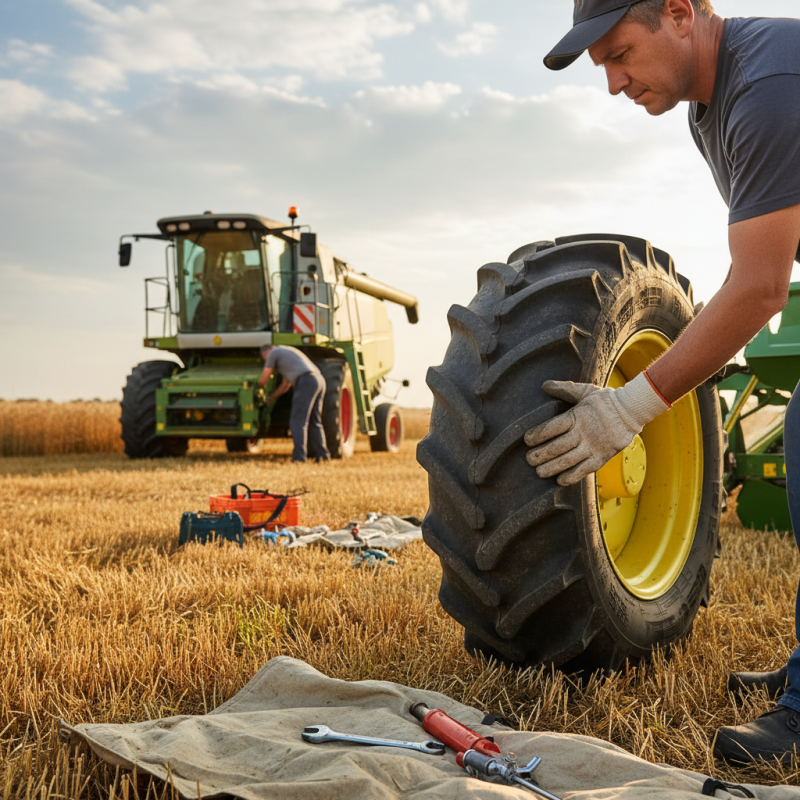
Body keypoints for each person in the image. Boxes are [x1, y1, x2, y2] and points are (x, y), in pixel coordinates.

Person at [535, 0, 800, 763]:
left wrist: (631, 406)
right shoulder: (706, 113)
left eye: (621, 54)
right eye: (604, 69)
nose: (614, 84)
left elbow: (757, 289)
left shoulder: (770, 83)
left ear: (681, 13)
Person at [257, 344, 330, 463]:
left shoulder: (273, 353)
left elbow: (265, 376)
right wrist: (271, 398)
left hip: (306, 381)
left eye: (264, 358)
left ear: (265, 352)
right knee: (314, 421)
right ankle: (323, 456)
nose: (266, 360)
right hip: (319, 380)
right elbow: (285, 385)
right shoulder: (287, 354)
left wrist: (257, 388)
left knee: (298, 421)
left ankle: (299, 458)